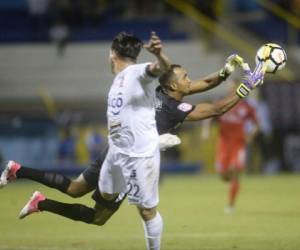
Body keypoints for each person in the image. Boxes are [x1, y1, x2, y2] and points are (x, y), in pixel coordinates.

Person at [0, 41, 264, 249]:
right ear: (174, 84)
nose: (189, 80)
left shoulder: (161, 90)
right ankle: (41, 202)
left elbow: (206, 84)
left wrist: (226, 71)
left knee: (74, 188)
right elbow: (216, 109)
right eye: (186, 77)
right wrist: (245, 88)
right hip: (132, 159)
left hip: (116, 149)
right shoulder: (175, 108)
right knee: (99, 217)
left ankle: (19, 172)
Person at [203, 82, 260, 214]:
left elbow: (257, 124)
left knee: (234, 171)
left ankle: (230, 205)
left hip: (238, 144)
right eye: (230, 87)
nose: (231, 89)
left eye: (234, 86)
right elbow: (209, 116)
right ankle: (229, 179)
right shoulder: (222, 103)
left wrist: (251, 136)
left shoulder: (246, 107)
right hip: (223, 144)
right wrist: (206, 130)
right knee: (223, 175)